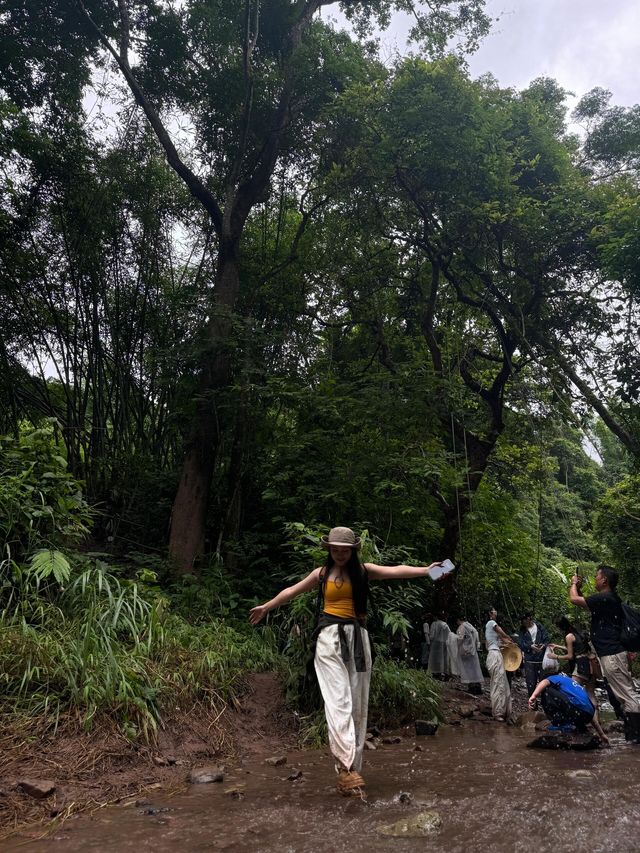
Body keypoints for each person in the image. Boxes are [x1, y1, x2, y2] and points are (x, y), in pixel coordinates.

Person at [249, 526, 443, 797]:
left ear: (353, 551)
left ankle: (351, 772)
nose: (340, 554)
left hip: (359, 641)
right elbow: (292, 590)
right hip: (329, 639)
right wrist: (267, 606)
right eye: (335, 549)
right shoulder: (321, 574)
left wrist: (427, 570)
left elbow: (397, 571)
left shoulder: (364, 571)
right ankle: (345, 765)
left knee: (357, 705)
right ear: (329, 549)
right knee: (338, 700)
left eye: (345, 550)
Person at [569, 565, 640, 741]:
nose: (595, 579)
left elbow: (574, 600)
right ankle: (632, 737)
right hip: (612, 654)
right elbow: (586, 603)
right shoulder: (609, 599)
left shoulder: (606, 598)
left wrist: (573, 583)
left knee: (627, 694)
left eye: (596, 576)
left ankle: (635, 739)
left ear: (604, 580)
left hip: (612, 655)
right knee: (625, 693)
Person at [528, 673, 609, 745]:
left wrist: (533, 696)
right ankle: (580, 727)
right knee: (574, 704)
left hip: (577, 711)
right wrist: (601, 734)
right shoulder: (572, 684)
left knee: (546, 690)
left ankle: (562, 725)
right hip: (586, 715)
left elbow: (544, 682)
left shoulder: (554, 678)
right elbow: (588, 711)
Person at [485, 607, 516, 721]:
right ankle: (498, 712)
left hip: (495, 654)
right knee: (498, 683)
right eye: (494, 611)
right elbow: (500, 631)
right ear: (490, 613)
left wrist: (509, 642)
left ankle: (503, 711)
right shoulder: (491, 623)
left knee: (502, 683)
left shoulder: (491, 631)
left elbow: (501, 641)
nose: (496, 612)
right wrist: (508, 637)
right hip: (494, 655)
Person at [517, 613, 549, 697]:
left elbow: (546, 638)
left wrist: (543, 645)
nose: (522, 622)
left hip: (541, 658)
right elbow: (520, 643)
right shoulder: (522, 630)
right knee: (530, 682)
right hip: (529, 660)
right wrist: (530, 646)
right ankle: (532, 704)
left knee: (543, 682)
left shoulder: (539, 626)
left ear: (528, 618)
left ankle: (544, 703)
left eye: (523, 620)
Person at [456, 616, 483, 694]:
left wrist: (455, 641)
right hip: (472, 650)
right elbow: (476, 635)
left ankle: (472, 687)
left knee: (468, 670)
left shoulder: (462, 626)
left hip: (465, 651)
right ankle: (477, 687)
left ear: (458, 620)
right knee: (475, 669)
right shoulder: (470, 626)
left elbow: (460, 639)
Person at [428, 612, 452, 680]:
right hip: (444, 643)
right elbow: (449, 634)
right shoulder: (445, 624)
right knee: (444, 658)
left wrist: (430, 641)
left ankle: (436, 673)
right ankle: (445, 673)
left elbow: (432, 635)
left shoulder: (434, 624)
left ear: (436, 617)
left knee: (435, 658)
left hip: (436, 643)